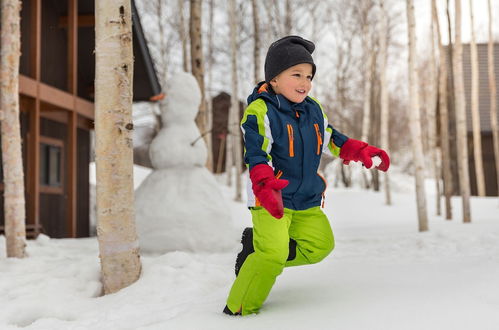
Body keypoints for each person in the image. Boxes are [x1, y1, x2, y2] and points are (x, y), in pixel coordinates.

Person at [223, 35, 390, 316]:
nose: (305, 82)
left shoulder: (314, 109)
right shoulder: (260, 110)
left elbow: (332, 139)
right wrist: (264, 185)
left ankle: (258, 255)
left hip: (306, 197)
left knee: (319, 246)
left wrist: (359, 151)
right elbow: (256, 153)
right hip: (271, 197)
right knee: (273, 254)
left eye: (309, 76)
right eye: (296, 74)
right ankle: (238, 310)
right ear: (274, 79)